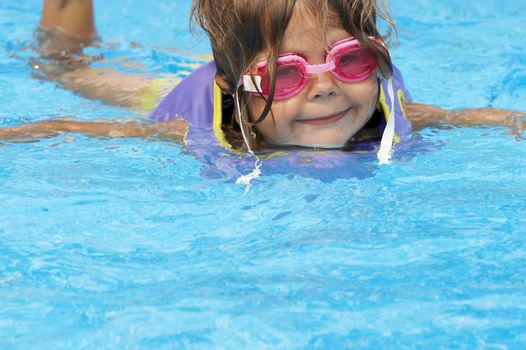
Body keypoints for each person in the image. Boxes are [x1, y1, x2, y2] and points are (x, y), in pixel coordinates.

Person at [2, 0, 524, 164]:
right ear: (237, 88)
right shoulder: (202, 129)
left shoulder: (386, 109)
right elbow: (80, 129)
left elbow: (460, 119)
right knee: (66, 69)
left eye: (351, 61)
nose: (326, 88)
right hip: (177, 93)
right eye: (287, 74)